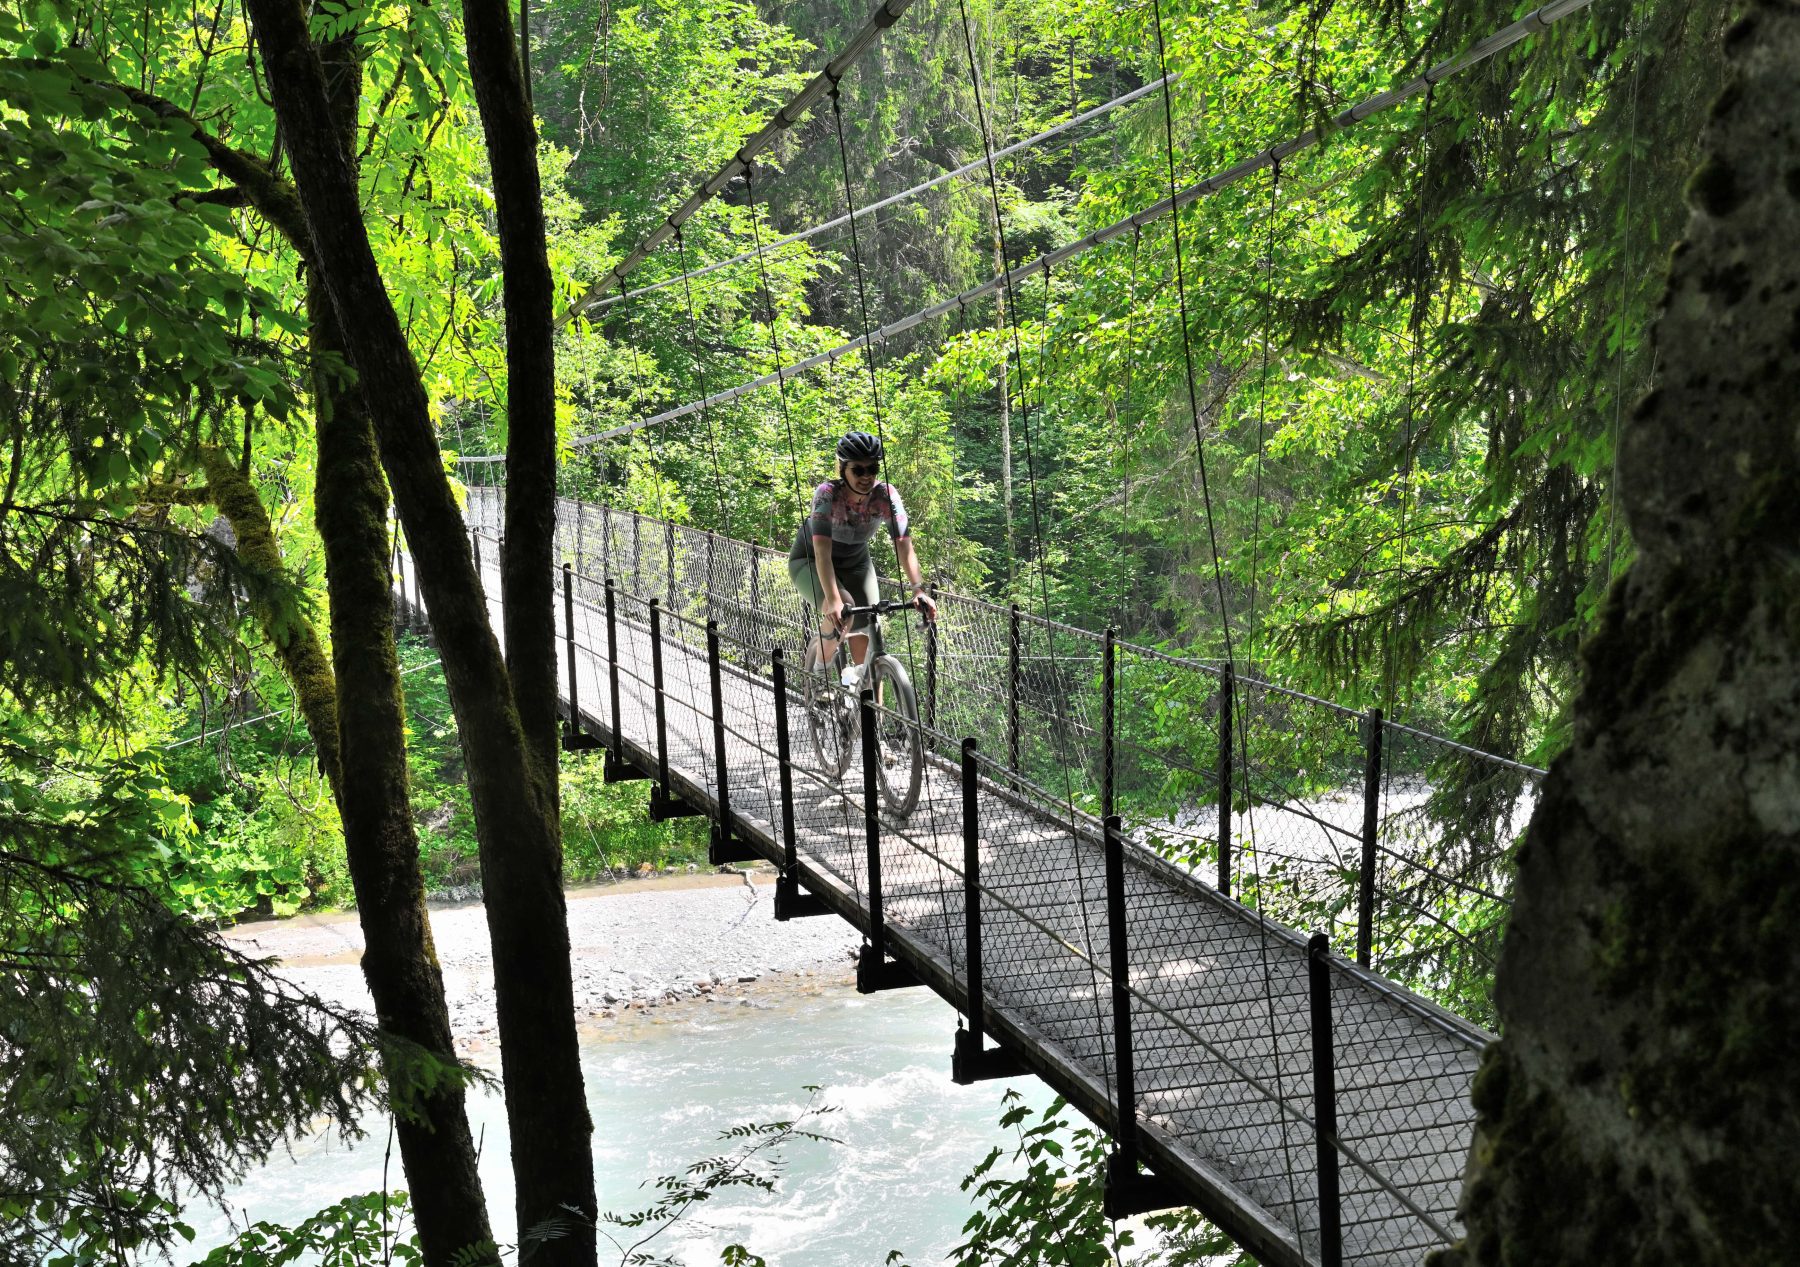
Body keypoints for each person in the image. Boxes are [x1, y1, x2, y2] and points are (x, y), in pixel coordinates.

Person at [786, 431, 936, 673]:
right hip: (811, 559)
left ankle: (868, 702)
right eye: (858, 470)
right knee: (844, 608)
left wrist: (918, 589)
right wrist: (834, 600)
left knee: (870, 625)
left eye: (872, 469)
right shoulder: (827, 494)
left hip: (856, 562)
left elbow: (904, 544)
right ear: (843, 469)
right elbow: (822, 553)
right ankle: (820, 669)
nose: (866, 476)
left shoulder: (885, 495)